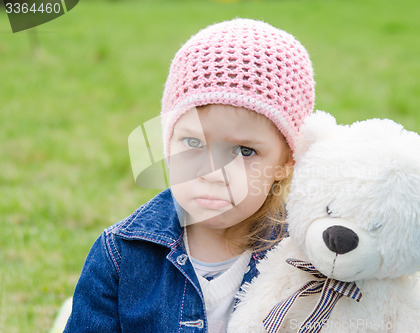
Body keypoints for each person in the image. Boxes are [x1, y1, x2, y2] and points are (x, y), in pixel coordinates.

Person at [64, 18, 315, 332]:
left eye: (244, 151)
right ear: (168, 144)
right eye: (194, 143)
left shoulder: (308, 255)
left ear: (287, 161)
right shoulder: (120, 255)